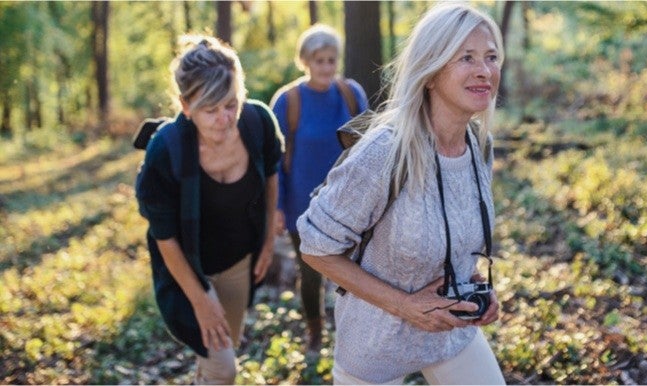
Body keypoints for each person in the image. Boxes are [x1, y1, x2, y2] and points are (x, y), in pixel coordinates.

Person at [296, 3, 506, 384]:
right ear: (430, 70)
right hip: (375, 347)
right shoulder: (385, 151)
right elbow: (314, 245)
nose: (484, 70)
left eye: (491, 57)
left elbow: (451, 231)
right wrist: (406, 306)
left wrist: (474, 283)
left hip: (451, 333)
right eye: (467, 58)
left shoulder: (479, 144)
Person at [135, 35, 283, 384]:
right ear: (186, 107)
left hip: (238, 260)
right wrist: (201, 299)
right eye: (211, 109)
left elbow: (271, 178)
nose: (225, 118)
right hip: (186, 266)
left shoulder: (258, 122)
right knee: (223, 368)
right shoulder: (165, 150)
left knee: (221, 351)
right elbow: (165, 237)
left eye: (232, 103)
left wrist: (266, 244)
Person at [269, 23, 368, 352]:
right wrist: (278, 207)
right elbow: (275, 160)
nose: (326, 67)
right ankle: (314, 331)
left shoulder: (351, 94)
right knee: (311, 273)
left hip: (349, 201)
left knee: (354, 274)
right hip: (303, 205)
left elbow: (370, 147)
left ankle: (353, 335)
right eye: (319, 60)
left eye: (331, 60)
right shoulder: (288, 101)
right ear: (306, 61)